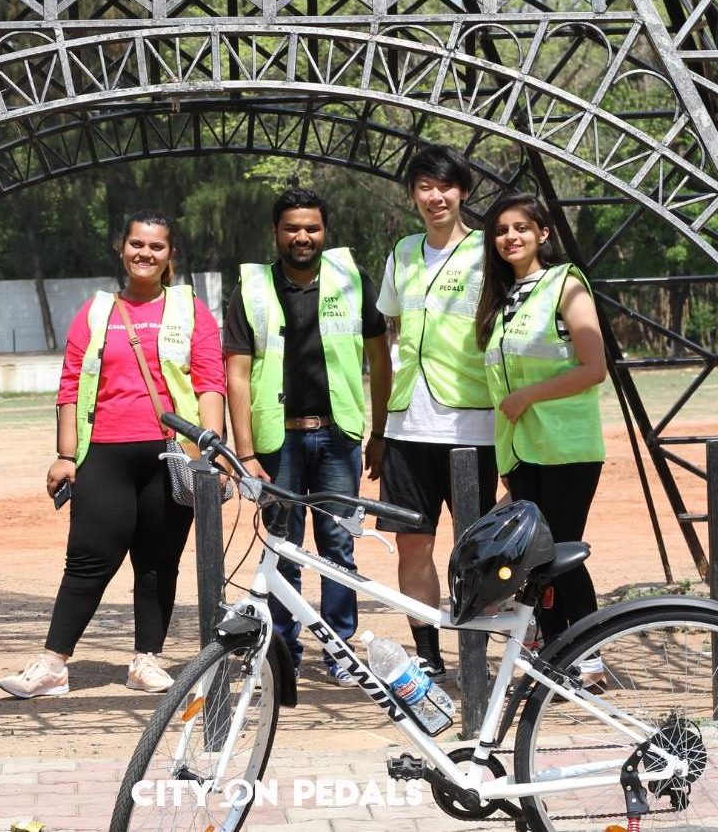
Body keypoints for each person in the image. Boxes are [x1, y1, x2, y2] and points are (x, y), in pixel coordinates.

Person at [0, 210, 226, 698]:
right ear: (122, 248)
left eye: (156, 246)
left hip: (173, 455)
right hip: (103, 452)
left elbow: (210, 381)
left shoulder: (191, 311)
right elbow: (69, 383)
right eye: (136, 244)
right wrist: (65, 454)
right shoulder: (97, 311)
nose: (145, 253)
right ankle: (54, 664)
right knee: (88, 559)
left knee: (159, 562)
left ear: (170, 256)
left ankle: (147, 660)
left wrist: (211, 447)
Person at [224, 186, 390, 686]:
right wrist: (245, 451)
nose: (303, 237)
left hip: (338, 438)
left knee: (339, 546)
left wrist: (379, 432)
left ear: (325, 231)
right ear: (276, 232)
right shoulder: (252, 289)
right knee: (282, 547)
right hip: (278, 444)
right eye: (292, 228)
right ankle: (284, 652)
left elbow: (381, 358)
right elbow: (236, 371)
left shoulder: (353, 281)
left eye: (312, 228)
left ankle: (340, 650)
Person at [375, 145, 499, 682]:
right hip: (407, 423)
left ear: (463, 192)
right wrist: (380, 427)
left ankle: (476, 649)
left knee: (475, 548)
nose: (435, 197)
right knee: (412, 545)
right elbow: (389, 332)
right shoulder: (402, 252)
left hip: (473, 422)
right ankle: (427, 653)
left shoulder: (488, 252)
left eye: (445, 186)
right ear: (412, 194)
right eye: (424, 186)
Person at [475, 192, 607, 688]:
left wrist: (528, 396)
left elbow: (594, 368)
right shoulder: (500, 297)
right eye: (501, 230)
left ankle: (589, 658)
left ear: (543, 233)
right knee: (535, 560)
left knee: (560, 555)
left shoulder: (565, 285)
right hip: (521, 450)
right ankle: (556, 656)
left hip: (566, 449)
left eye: (521, 228)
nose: (510, 237)